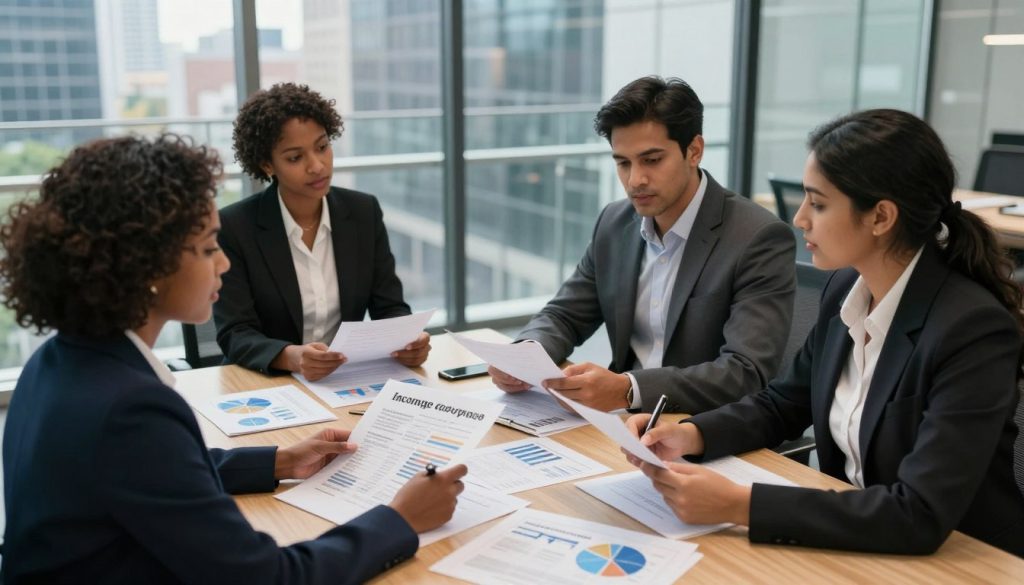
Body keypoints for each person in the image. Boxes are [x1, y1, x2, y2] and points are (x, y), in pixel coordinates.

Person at [0, 135, 468, 584]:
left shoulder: (58, 360)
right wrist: (400, 518)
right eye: (207, 248)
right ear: (146, 265)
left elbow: (153, 473)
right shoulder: (130, 409)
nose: (223, 263)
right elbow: (269, 577)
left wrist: (280, 462)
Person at [625, 109, 1024, 556]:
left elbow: (920, 513)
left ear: (880, 217)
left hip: (967, 560)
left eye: (817, 203)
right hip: (856, 540)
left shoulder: (972, 330)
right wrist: (692, 434)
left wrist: (741, 504)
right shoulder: (845, 290)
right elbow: (781, 405)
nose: (799, 219)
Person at [490, 76, 795, 413]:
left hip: (702, 428)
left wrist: (628, 389)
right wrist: (526, 354)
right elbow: (565, 315)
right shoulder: (614, 222)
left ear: (694, 151)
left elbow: (745, 371)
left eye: (651, 160)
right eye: (623, 163)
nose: (635, 180)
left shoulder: (757, 237)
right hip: (621, 422)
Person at [215, 83, 429, 380]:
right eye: (295, 157)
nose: (317, 166)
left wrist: (407, 340)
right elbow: (235, 333)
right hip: (264, 383)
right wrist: (291, 357)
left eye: (322, 146)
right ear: (267, 165)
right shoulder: (235, 227)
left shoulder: (363, 212)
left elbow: (390, 306)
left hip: (343, 379)